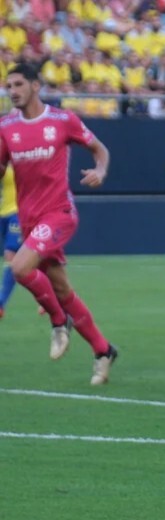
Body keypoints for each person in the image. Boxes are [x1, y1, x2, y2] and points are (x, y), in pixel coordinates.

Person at [0, 62, 118, 384]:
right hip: (28, 221)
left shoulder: (62, 120)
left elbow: (99, 149)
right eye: (8, 86)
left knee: (19, 268)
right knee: (62, 288)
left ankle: (58, 321)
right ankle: (103, 350)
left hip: (59, 214)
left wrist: (101, 170)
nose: (12, 91)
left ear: (35, 86)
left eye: (18, 84)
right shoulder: (5, 127)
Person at [0, 166, 18, 319]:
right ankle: (52, 299)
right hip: (3, 212)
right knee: (28, 263)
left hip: (19, 211)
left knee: (10, 254)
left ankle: (1, 302)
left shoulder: (24, 154)